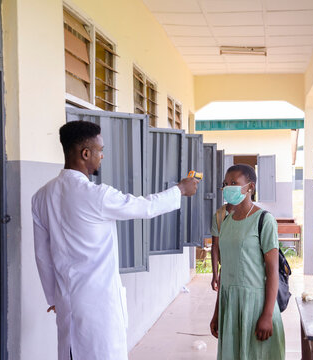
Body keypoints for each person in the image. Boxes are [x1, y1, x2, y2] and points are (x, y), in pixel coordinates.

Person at [31, 121, 198, 360]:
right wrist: (180, 190)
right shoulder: (95, 196)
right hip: (98, 306)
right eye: (100, 150)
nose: (103, 155)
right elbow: (145, 206)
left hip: (67, 302)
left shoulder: (41, 196)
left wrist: (53, 296)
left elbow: (42, 254)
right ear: (85, 153)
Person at [209, 164, 285, 360]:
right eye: (226, 184)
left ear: (250, 187)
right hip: (230, 304)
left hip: (256, 305)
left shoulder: (264, 220)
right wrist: (218, 312)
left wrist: (267, 315)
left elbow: (273, 271)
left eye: (234, 183)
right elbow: (226, 269)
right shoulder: (225, 222)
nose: (228, 188)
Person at [210, 202, 233, 291]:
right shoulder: (219, 216)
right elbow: (215, 245)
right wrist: (215, 274)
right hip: (226, 271)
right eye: (227, 186)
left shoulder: (253, 215)